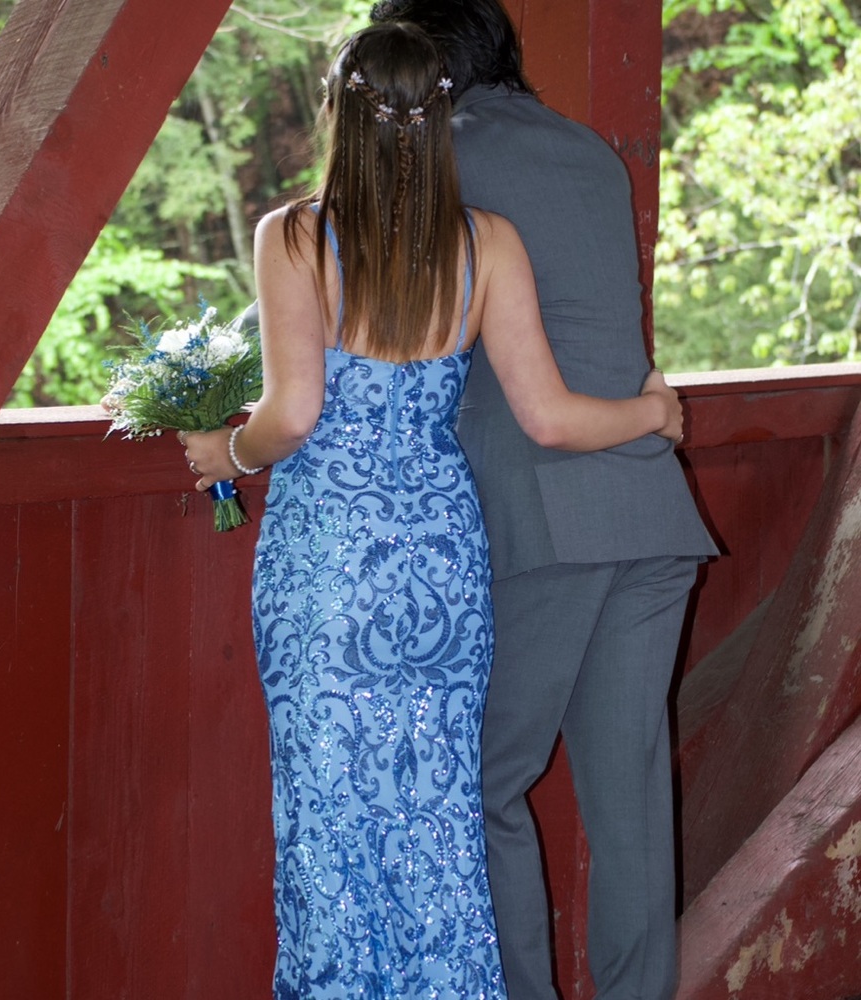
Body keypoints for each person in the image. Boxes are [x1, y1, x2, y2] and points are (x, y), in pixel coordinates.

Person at [180, 21, 683, 1000]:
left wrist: (221, 454)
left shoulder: (292, 235)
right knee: (439, 811)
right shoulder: (490, 234)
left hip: (332, 560)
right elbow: (548, 410)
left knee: (336, 807)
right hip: (442, 557)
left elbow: (291, 413)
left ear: (340, 111)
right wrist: (653, 411)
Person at [368, 4, 720, 999]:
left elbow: (391, 343)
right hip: (651, 511)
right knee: (631, 804)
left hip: (538, 517)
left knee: (474, 789)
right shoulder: (589, 153)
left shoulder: (434, 156)